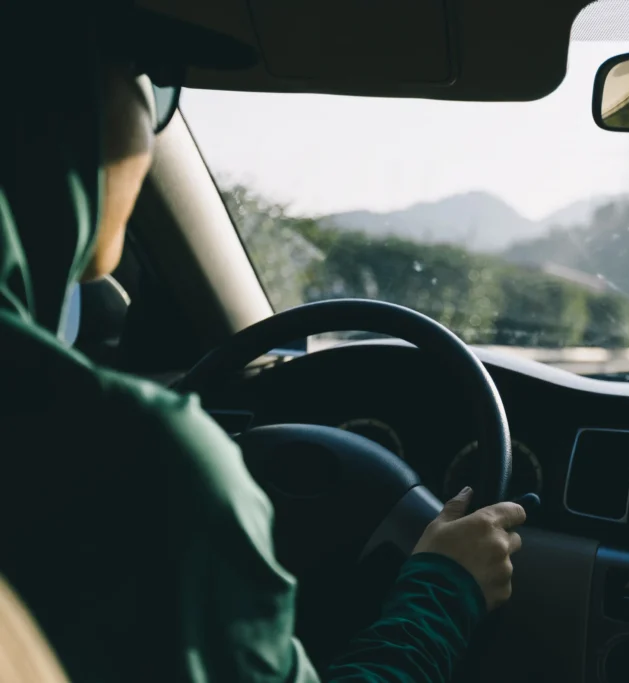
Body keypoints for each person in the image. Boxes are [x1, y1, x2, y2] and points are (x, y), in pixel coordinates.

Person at [0, 3, 525, 683]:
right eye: (152, 87)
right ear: (60, 105)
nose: (153, 127)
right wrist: (445, 588)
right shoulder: (146, 469)